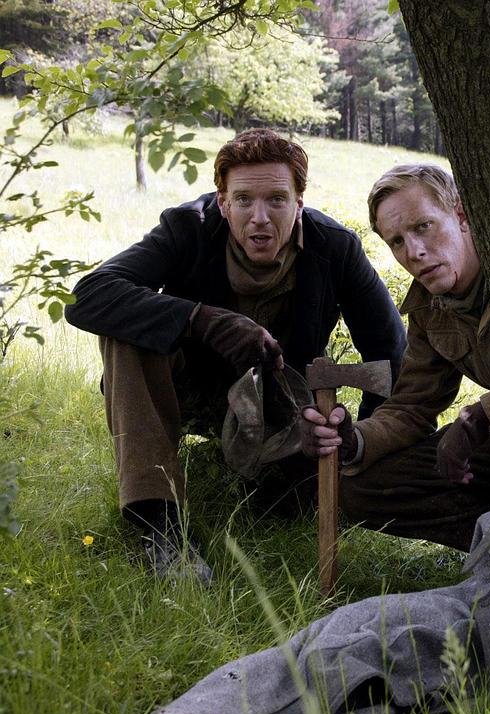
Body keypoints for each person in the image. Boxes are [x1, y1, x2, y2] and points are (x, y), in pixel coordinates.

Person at [65, 129, 406, 582]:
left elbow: (389, 350)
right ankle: (159, 524)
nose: (259, 218)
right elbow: (87, 297)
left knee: (293, 504)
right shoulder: (186, 228)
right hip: (191, 388)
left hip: (281, 402)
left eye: (277, 200)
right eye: (244, 200)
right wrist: (202, 320)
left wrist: (362, 446)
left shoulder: (333, 247)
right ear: (223, 203)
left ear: (299, 203)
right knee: (127, 333)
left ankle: (267, 471)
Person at [300, 163, 490, 551]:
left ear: (462, 214)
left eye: (423, 227)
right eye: (397, 241)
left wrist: (481, 417)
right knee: (363, 489)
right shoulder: (428, 307)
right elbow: (412, 406)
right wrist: (354, 441)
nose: (414, 252)